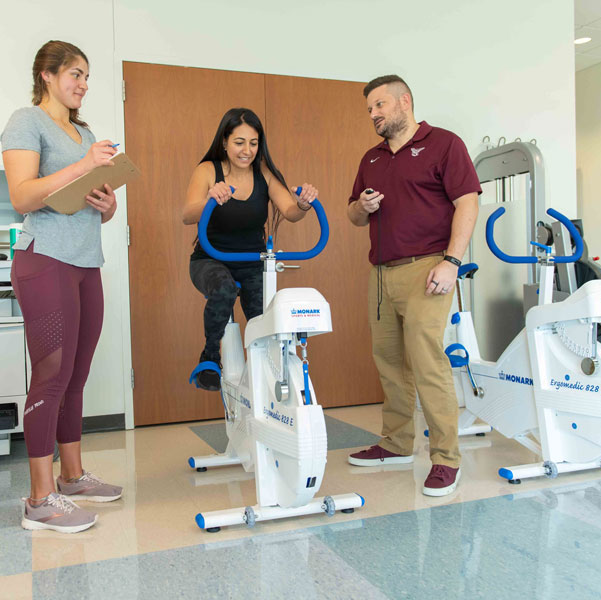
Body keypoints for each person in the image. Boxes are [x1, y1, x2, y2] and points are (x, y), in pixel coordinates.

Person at [1, 40, 123, 533]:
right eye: (75, 74)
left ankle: (72, 477)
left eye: (87, 76)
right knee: (50, 374)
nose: (83, 84)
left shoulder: (84, 131)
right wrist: (84, 165)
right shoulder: (26, 122)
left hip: (84, 262)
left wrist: (107, 204)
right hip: (43, 261)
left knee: (76, 373)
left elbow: (97, 202)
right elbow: (23, 195)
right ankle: (39, 498)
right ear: (47, 75)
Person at [346, 75, 480, 497]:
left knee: (427, 361)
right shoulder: (371, 158)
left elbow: (468, 202)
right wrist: (361, 207)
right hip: (381, 272)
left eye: (380, 105)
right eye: (369, 109)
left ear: (405, 101)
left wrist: (451, 262)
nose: (374, 115)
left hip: (428, 268)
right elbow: (352, 215)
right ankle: (398, 442)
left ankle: (445, 458)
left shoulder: (444, 144)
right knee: (388, 360)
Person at [182, 108, 317, 390]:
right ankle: (209, 357)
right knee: (224, 289)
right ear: (224, 142)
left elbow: (291, 211)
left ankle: (266, 373)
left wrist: (304, 204)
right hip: (211, 259)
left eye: (253, 143)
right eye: (239, 142)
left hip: (253, 261)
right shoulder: (208, 170)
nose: (247, 150)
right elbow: (187, 215)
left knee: (263, 314)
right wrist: (209, 198)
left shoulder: (263, 174)